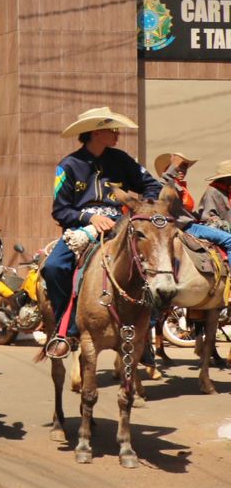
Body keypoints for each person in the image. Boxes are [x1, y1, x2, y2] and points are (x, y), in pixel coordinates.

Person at [41, 106, 161, 359]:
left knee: (155, 264)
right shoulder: (68, 166)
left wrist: (144, 208)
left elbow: (152, 185)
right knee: (53, 268)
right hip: (82, 228)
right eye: (111, 129)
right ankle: (66, 327)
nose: (117, 133)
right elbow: (60, 210)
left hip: (121, 224)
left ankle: (145, 331)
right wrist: (90, 217)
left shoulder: (121, 159)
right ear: (96, 132)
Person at [199, 161, 231, 229]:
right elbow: (209, 217)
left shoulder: (227, 190)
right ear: (224, 178)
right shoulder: (212, 192)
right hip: (221, 231)